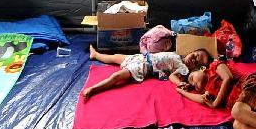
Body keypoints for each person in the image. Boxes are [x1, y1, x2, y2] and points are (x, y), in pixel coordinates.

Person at [81, 46, 211, 100]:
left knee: (116, 77)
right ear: (191, 51)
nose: (193, 59)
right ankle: (96, 54)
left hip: (143, 67)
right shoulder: (178, 54)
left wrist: (180, 83)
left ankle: (93, 89)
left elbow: (172, 76)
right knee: (114, 57)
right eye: (195, 55)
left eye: (196, 62)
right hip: (141, 58)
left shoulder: (183, 68)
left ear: (196, 68)